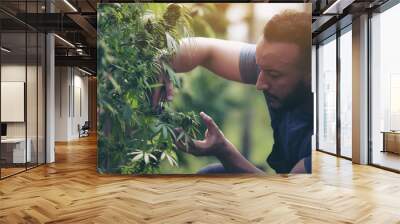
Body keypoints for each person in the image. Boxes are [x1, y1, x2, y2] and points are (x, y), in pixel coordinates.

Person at [152, 10, 312, 174]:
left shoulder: (329, 139)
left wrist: (224, 151)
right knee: (212, 175)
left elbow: (283, 197)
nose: (260, 83)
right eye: (260, 68)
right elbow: (205, 51)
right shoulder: (275, 62)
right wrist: (161, 62)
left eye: (274, 75)